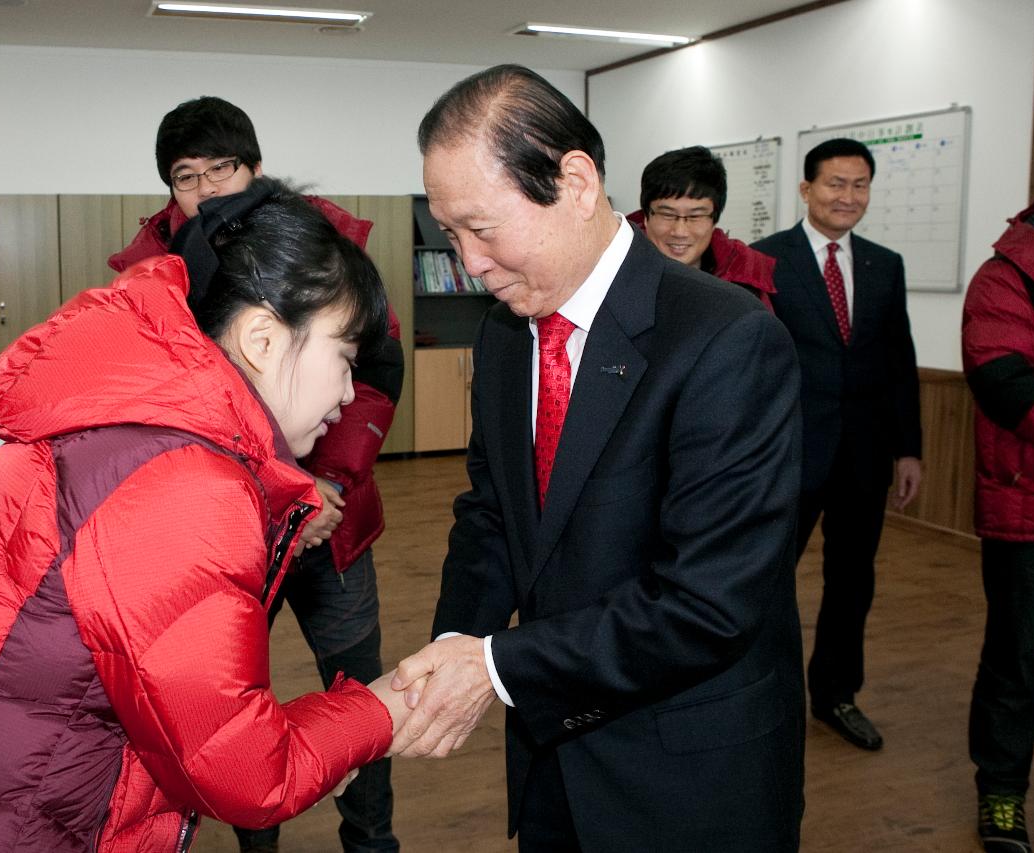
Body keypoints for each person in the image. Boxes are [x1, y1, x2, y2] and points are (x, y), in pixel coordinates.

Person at [0, 179, 409, 853]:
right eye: (343, 358)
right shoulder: (187, 486)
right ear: (260, 337)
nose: (348, 393)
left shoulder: (132, 425)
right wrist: (386, 706)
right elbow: (244, 771)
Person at [390, 65, 806, 852]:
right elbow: (494, 512)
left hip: (689, 773)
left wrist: (498, 665)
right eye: (451, 234)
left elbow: (709, 602)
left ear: (575, 182)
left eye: (482, 227)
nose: (469, 261)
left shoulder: (727, 340)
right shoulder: (511, 333)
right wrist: (455, 645)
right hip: (554, 750)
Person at [110, 97, 403, 853]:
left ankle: (372, 842)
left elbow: (375, 367)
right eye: (187, 177)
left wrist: (327, 485)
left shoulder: (321, 242)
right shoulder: (154, 273)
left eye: (225, 169)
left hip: (334, 521)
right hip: (227, 530)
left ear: (257, 169)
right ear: (167, 189)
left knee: (359, 690)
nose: (209, 191)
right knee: (238, 705)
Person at [753, 138, 923, 751]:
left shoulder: (885, 264)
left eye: (860, 185)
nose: (848, 197)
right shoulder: (765, 261)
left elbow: (899, 360)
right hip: (788, 455)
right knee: (768, 579)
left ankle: (835, 694)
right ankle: (757, 691)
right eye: (835, 184)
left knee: (853, 580)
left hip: (864, 455)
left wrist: (909, 449)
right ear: (806, 190)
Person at [962, 188, 1034, 852]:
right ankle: (1001, 794)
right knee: (1015, 661)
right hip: (1032, 508)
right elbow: (1005, 380)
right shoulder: (1010, 273)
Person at [626, 144, 776, 309]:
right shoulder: (616, 273)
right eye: (667, 214)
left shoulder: (745, 280)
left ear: (714, 220)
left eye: (695, 216)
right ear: (646, 216)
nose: (680, 232)